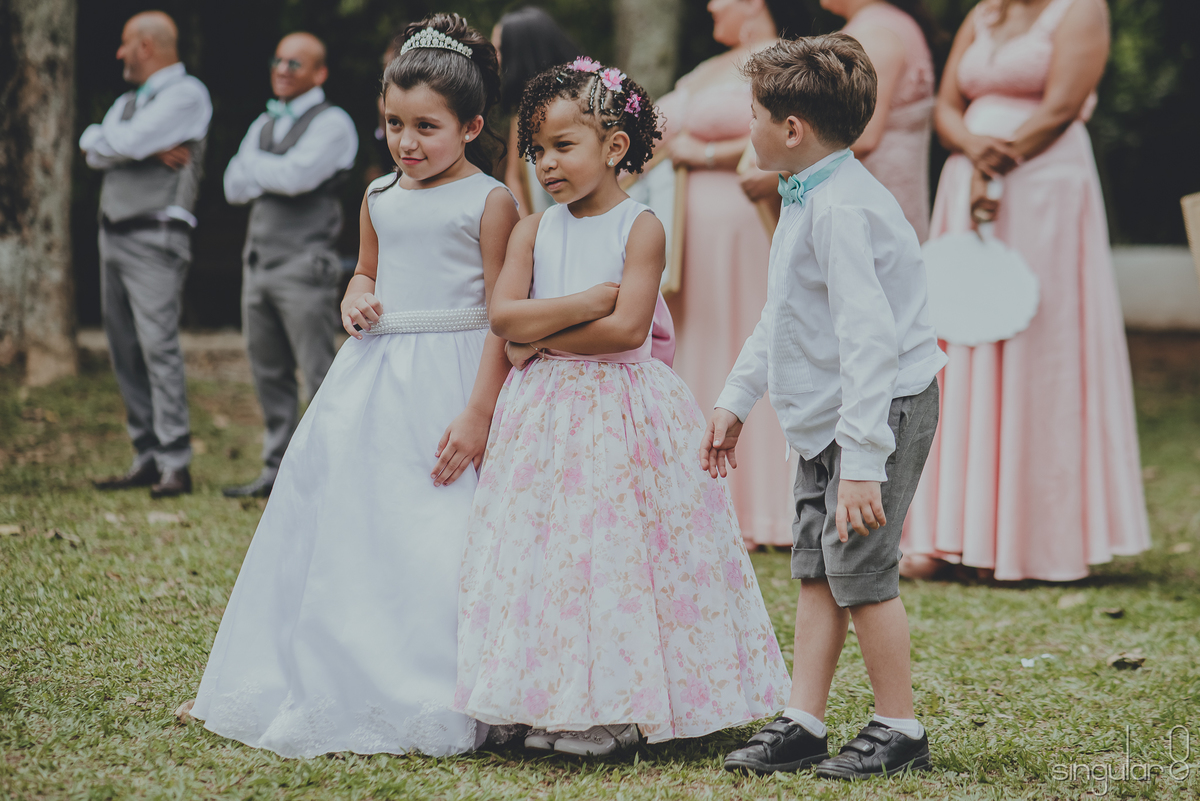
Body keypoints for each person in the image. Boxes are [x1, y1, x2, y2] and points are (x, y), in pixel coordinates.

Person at [190, 14, 519, 757]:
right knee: (354, 517)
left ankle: (443, 682)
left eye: (427, 127)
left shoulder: (490, 202)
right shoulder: (379, 194)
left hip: (455, 369)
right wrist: (355, 295)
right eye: (394, 124)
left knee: (442, 528)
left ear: (471, 126)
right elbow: (367, 269)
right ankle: (335, 668)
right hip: (375, 376)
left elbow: (504, 313)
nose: (407, 143)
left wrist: (478, 410)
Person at [454, 59, 791, 757]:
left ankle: (614, 706)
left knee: (613, 555)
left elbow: (627, 330)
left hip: (622, 417)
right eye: (537, 150)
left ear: (613, 146)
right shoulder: (532, 232)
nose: (546, 163)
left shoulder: (641, 227)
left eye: (563, 146)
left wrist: (538, 338)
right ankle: (538, 697)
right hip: (542, 418)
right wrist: (582, 302)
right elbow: (502, 316)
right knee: (544, 554)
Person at [704, 35, 947, 779]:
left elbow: (870, 342)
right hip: (824, 421)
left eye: (751, 115)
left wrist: (864, 465)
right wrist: (737, 398)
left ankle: (898, 726)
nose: (745, 129)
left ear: (791, 129)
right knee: (817, 567)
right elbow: (782, 314)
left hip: (877, 413)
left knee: (862, 568)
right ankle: (804, 720)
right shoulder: (807, 192)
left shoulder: (843, 208)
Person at [900, 0, 1150, 582]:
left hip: (1042, 188)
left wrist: (998, 161)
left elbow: (1064, 104)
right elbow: (947, 103)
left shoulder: (1081, 10)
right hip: (968, 182)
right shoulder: (985, 13)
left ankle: (1032, 538)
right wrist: (972, 150)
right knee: (959, 343)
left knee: (1037, 344)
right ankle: (948, 533)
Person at [657, 0, 813, 548]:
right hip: (690, 231)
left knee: (749, 343)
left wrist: (696, 151)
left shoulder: (782, 60)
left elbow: (789, 134)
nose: (709, 6)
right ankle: (701, 493)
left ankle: (768, 506)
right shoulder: (705, 70)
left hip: (744, 222)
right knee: (700, 343)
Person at [220, 33, 359, 499]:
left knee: (318, 371)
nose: (282, 69)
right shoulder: (265, 121)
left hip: (304, 263)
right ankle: (275, 471)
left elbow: (297, 179)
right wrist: (268, 171)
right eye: (278, 60)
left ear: (319, 73)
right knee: (268, 371)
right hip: (256, 263)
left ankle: (331, 471)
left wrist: (254, 166)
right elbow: (231, 186)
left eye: (294, 64)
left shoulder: (333, 123)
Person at [82, 11, 211, 499]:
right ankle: (146, 454)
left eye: (124, 44)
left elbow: (119, 141)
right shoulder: (129, 101)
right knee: (123, 348)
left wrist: (129, 145)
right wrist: (136, 147)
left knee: (158, 347)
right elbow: (92, 147)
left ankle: (177, 461)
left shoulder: (186, 94)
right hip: (112, 233)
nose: (118, 54)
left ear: (146, 46)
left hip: (156, 236)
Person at [826, 0, 941, 241]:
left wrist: (788, 165)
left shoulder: (877, 33)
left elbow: (864, 135)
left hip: (876, 194)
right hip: (890, 191)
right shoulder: (887, 23)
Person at [493, 6, 581, 217]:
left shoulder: (581, 105)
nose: (495, 58)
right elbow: (515, 177)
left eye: (499, 48)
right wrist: (531, 230)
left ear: (522, 51)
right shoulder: (522, 114)